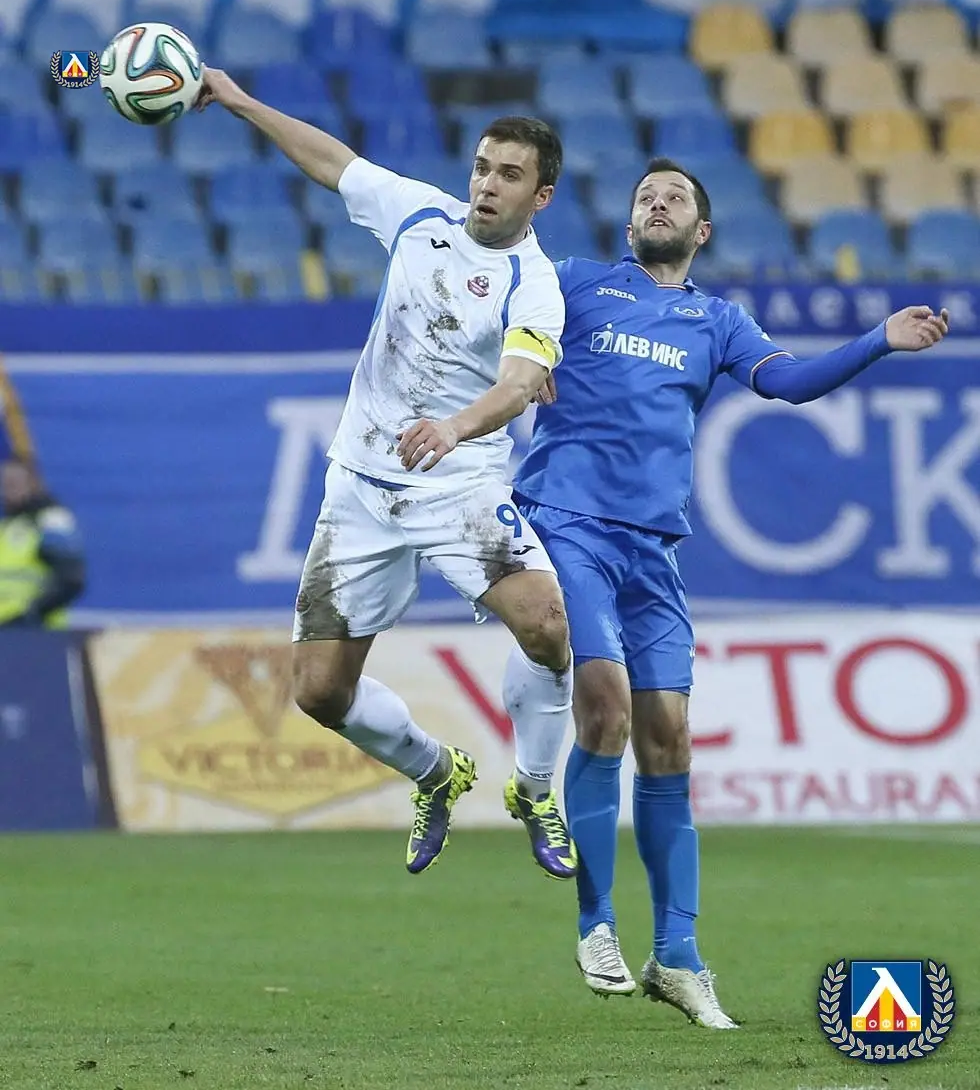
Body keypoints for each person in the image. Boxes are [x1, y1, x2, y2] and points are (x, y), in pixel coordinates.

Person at [513, 156, 950, 1024]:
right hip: (566, 523)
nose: (657, 202)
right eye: (645, 195)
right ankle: (597, 924)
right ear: (629, 222)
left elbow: (786, 382)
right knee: (605, 708)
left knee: (669, 739)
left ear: (701, 230)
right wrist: (519, 359)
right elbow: (492, 303)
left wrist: (877, 339)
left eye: (674, 196)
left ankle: (677, 955)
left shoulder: (716, 321)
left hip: (652, 549)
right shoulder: (574, 284)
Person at [195, 68, 578, 879]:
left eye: (509, 175)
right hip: (363, 486)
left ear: (540, 196)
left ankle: (536, 787)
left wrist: (453, 428)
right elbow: (332, 162)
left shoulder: (534, 286)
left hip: (460, 486)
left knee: (547, 624)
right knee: (319, 693)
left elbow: (518, 385)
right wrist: (237, 101)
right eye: (482, 167)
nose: (487, 185)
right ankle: (436, 771)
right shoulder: (418, 215)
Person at [0, 456, 85, 628]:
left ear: (34, 484)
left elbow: (70, 579)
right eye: (4, 484)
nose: (8, 490)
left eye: (14, 483)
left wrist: (31, 614)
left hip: (38, 632)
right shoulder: (7, 526)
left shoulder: (50, 521)